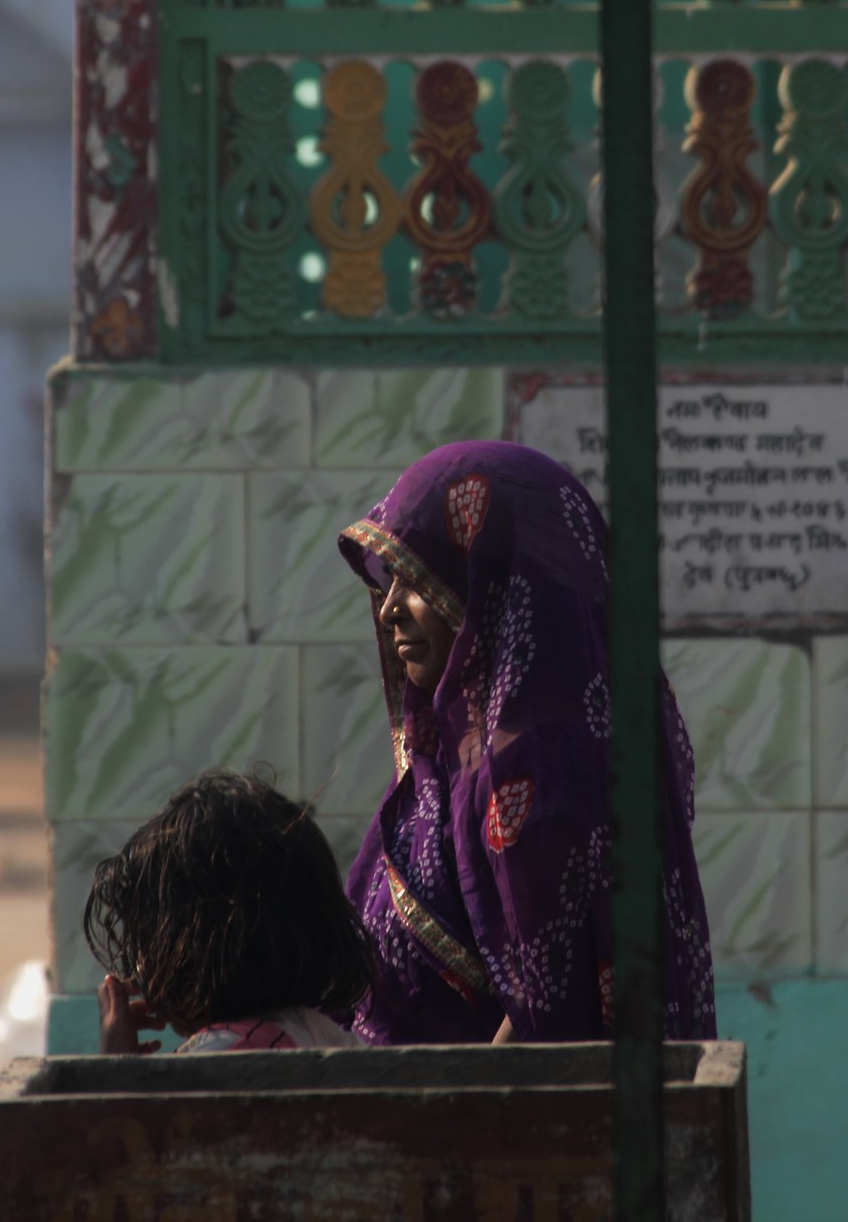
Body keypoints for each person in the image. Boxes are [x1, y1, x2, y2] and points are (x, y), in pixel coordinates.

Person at [334, 440, 715, 1046]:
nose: (388, 611)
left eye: (418, 579)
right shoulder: (449, 762)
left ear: (491, 584)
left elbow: (549, 1017)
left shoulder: (544, 773)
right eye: (392, 581)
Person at [81, 768, 372, 1054]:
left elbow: (137, 1104)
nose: (141, 971)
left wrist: (115, 1067)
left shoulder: (221, 1053)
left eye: (147, 944)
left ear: (189, 952)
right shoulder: (322, 1033)